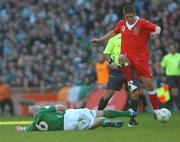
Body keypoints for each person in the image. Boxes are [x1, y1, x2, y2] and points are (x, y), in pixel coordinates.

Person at [91, 5, 161, 118]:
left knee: (149, 85)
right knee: (121, 57)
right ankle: (130, 83)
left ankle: (156, 111)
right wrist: (100, 40)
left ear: (135, 14)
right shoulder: (121, 25)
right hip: (124, 62)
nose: (129, 19)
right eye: (127, 17)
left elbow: (157, 27)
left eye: (131, 16)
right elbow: (112, 33)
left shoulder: (142, 23)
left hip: (140, 60)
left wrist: (156, 33)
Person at [96, 33, 139, 126]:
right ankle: (97, 116)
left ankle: (132, 119)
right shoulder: (114, 38)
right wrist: (111, 62)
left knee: (135, 93)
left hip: (130, 69)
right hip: (117, 70)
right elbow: (106, 53)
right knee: (108, 94)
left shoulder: (134, 36)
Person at [15, 104, 137, 132]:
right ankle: (128, 113)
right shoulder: (42, 110)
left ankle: (108, 123)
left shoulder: (34, 126)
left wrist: (20, 128)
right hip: (69, 115)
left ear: (32, 115)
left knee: (95, 123)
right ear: (38, 109)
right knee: (101, 112)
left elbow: (24, 130)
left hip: (68, 127)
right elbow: (61, 106)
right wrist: (64, 110)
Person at [161, 43, 180, 111]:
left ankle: (170, 107)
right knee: (171, 92)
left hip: (178, 77)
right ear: (169, 49)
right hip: (169, 77)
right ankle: (168, 107)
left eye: (173, 48)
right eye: (170, 48)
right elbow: (162, 67)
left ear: (175, 49)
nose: (172, 49)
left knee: (175, 92)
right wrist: (163, 76)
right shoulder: (166, 57)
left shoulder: (179, 56)